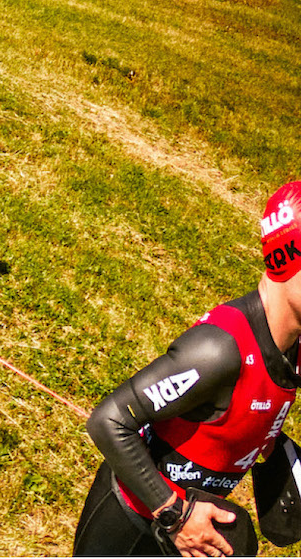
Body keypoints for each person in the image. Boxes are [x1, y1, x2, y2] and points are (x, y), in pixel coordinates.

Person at [73, 182, 301, 557]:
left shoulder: (291, 352)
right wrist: (174, 516)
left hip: (186, 535)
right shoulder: (218, 350)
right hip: (131, 525)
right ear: (286, 256)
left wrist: (271, 445)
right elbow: (110, 420)